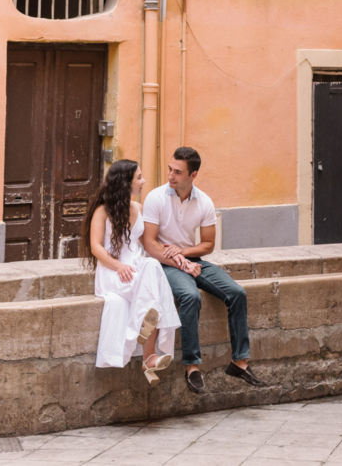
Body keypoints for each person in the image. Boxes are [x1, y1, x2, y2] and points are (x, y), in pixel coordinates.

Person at [142, 146, 267, 394]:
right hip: (164, 264)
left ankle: (239, 362)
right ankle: (192, 367)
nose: (171, 176)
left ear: (193, 175)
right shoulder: (155, 198)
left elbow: (208, 244)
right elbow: (150, 244)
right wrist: (180, 261)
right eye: (170, 169)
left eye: (178, 172)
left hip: (192, 258)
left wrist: (185, 253)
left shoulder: (204, 201)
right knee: (190, 296)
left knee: (237, 293)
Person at [80, 158, 180, 384]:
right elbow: (96, 247)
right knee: (152, 293)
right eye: (139, 177)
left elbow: (148, 244)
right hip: (112, 271)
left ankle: (147, 344)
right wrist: (118, 265)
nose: (144, 181)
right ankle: (149, 354)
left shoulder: (138, 207)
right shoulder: (102, 211)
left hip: (135, 269)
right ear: (125, 183)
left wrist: (176, 253)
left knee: (153, 267)